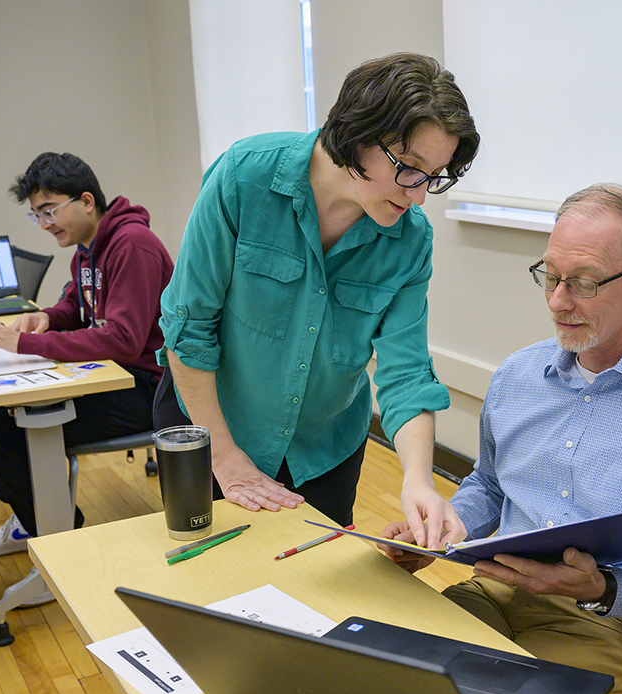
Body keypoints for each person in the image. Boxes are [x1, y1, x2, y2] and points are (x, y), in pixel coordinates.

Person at [380, 184, 622, 694]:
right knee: (390, 673)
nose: (557, 301)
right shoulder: (518, 375)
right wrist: (440, 530)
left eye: (584, 283)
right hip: (498, 591)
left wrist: (604, 586)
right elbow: (490, 486)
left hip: (609, 625)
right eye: (550, 276)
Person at [155, 52, 478, 548]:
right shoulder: (245, 179)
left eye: (434, 176)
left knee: (308, 602)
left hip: (322, 447)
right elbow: (188, 326)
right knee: (212, 583)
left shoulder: (410, 239)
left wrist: (417, 479)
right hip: (211, 425)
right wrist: (223, 456)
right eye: (410, 169)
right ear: (356, 133)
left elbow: (406, 374)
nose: (419, 196)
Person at [0, 152, 174, 604]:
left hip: (149, 388)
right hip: (111, 375)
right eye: (37, 214)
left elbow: (122, 339)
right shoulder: (87, 248)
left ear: (87, 201)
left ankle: (60, 539)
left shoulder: (132, 245)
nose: (44, 224)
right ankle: (33, 518)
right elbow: (75, 307)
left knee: (4, 432)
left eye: (50, 210)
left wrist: (24, 344)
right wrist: (46, 322)